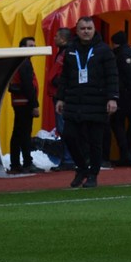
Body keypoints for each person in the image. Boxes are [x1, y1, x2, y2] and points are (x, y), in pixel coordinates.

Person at [54, 17, 119, 188]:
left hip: (97, 101)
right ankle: (82, 168)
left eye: (89, 28)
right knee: (69, 135)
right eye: (82, 28)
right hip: (75, 101)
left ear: (94, 29)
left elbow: (112, 76)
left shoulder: (104, 50)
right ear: (77, 30)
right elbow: (64, 77)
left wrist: (112, 98)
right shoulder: (70, 50)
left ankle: (93, 174)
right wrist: (60, 98)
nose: (86, 31)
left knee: (95, 141)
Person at [108, 31, 131, 165]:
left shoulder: (119, 55)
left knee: (118, 124)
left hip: (124, 95)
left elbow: (126, 75)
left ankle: (126, 154)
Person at [7, 37, 41, 174]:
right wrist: (34, 104)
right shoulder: (24, 63)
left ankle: (15, 163)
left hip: (20, 102)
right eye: (30, 46)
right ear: (22, 47)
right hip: (24, 103)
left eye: (34, 45)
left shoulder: (19, 62)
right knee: (24, 134)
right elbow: (28, 86)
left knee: (18, 134)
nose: (33, 48)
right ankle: (27, 162)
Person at [47, 27, 75, 171]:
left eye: (57, 36)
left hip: (62, 96)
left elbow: (66, 74)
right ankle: (68, 158)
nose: (54, 38)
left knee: (64, 128)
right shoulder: (64, 52)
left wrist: (57, 83)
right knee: (62, 128)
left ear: (63, 38)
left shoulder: (67, 53)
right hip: (59, 94)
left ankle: (69, 159)